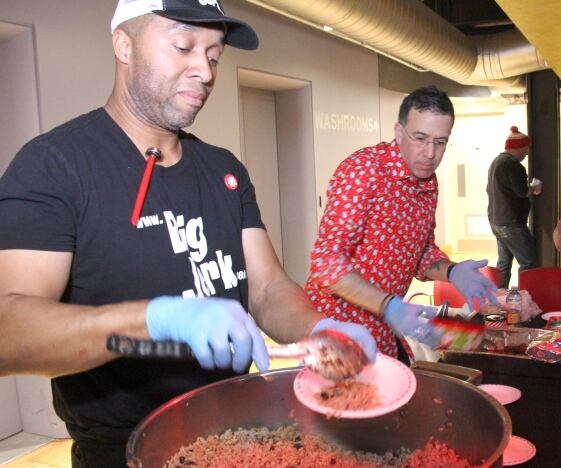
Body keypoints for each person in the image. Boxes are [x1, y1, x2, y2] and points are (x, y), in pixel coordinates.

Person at [0, 2, 376, 466]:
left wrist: (316, 328)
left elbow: (267, 287)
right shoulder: (55, 165)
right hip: (126, 448)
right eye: (183, 46)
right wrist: (156, 320)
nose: (204, 70)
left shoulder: (224, 170)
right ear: (123, 44)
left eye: (214, 56)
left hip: (239, 432)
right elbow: (8, 331)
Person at [304, 86, 497, 361]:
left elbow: (420, 253)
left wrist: (453, 272)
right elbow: (326, 262)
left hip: (384, 327)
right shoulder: (364, 172)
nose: (430, 153)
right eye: (420, 138)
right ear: (398, 131)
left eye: (440, 142)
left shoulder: (428, 182)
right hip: (338, 330)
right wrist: (389, 305)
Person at [486, 126, 541, 289]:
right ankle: (527, 298)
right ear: (520, 147)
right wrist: (535, 187)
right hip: (511, 222)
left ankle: (498, 298)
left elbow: (489, 189)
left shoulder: (496, 162)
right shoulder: (513, 165)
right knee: (528, 263)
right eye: (526, 149)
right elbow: (521, 191)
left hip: (496, 220)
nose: (526, 153)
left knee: (503, 263)